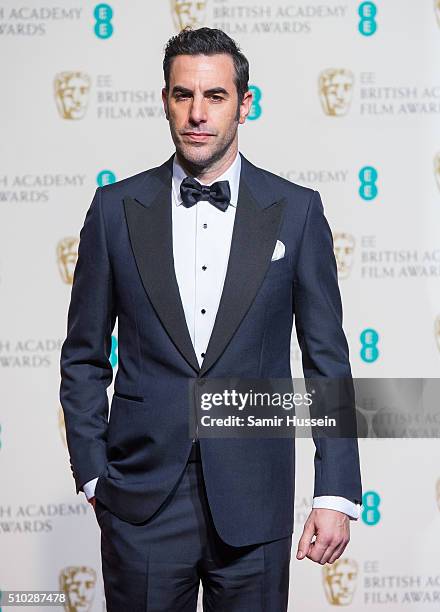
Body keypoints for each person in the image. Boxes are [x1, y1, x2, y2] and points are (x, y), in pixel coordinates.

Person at [60, 26, 362, 611]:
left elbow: (327, 360)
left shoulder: (296, 212)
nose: (198, 114)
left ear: (244, 104)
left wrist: (336, 491)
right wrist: (94, 472)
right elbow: (84, 354)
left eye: (216, 97)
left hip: (256, 496)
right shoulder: (114, 210)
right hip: (140, 500)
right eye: (183, 95)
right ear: (166, 100)